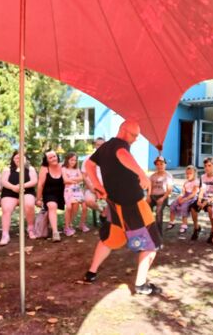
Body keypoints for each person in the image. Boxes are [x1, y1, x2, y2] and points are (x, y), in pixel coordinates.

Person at [82, 120, 163, 295]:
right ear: (124, 130)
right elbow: (122, 155)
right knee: (151, 243)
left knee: (111, 238)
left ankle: (91, 273)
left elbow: (89, 164)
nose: (135, 140)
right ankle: (141, 285)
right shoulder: (119, 146)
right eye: (134, 135)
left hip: (114, 203)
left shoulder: (105, 146)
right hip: (132, 203)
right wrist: (142, 174)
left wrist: (97, 185)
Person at [0, 151, 38, 245]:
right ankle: (5, 234)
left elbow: (34, 181)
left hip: (26, 191)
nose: (19, 159)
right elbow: (3, 181)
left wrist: (22, 186)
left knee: (29, 204)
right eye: (16, 157)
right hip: (10, 192)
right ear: (13, 159)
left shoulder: (30, 169)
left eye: (21, 157)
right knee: (6, 209)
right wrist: (13, 187)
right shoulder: (7, 169)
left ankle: (30, 229)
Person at [190, 157, 213, 242]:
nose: (207, 168)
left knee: (211, 209)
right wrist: (199, 200)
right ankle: (196, 228)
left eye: (209, 165)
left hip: (212, 199)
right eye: (205, 166)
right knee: (193, 208)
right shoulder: (203, 177)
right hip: (204, 198)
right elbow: (202, 190)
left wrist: (208, 201)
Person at [36, 150, 65, 242]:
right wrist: (38, 199)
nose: (53, 159)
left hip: (62, 193)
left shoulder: (63, 166)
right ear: (47, 160)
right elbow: (40, 184)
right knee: (52, 206)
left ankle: (68, 227)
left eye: (54, 156)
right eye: (50, 157)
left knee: (74, 202)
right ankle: (55, 233)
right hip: (49, 193)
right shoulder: (44, 168)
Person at [166, 165, 199, 237]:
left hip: (191, 198)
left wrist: (185, 199)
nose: (188, 175)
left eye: (190, 173)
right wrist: (180, 197)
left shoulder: (196, 182)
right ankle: (172, 221)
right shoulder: (186, 182)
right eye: (187, 173)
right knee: (173, 204)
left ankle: (184, 224)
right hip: (185, 195)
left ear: (194, 174)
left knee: (184, 206)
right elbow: (183, 192)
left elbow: (193, 194)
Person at [147, 156, 174, 234]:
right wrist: (148, 196)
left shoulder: (168, 176)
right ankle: (148, 229)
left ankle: (158, 233)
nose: (159, 166)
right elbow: (149, 187)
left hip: (163, 196)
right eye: (157, 164)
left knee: (158, 211)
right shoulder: (152, 176)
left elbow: (169, 189)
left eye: (161, 164)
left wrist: (163, 198)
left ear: (165, 164)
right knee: (145, 208)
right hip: (153, 196)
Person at [82, 137, 106, 224]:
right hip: (92, 188)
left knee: (115, 201)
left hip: (106, 189)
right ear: (94, 146)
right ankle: (102, 212)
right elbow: (84, 176)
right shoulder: (88, 159)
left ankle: (106, 217)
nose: (100, 147)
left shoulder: (110, 159)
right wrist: (90, 186)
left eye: (102, 145)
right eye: (98, 145)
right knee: (88, 201)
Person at [62, 152, 87, 236]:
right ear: (67, 160)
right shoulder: (64, 169)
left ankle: (72, 224)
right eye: (71, 160)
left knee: (81, 206)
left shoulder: (77, 169)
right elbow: (65, 180)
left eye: (75, 160)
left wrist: (71, 179)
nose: (73, 162)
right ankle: (66, 226)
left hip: (77, 190)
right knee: (69, 207)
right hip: (68, 190)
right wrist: (76, 180)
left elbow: (81, 178)